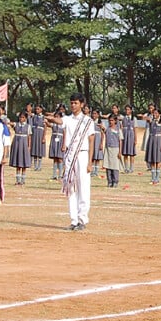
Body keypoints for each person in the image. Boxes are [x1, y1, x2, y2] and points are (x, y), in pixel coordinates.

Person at [50, 93, 95, 231]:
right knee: (71, 187)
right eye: (71, 103)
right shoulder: (68, 119)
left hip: (82, 155)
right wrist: (50, 118)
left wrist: (90, 162)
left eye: (76, 103)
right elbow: (59, 121)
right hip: (70, 156)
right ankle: (74, 220)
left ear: (82, 104)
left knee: (83, 187)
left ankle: (82, 219)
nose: (73, 105)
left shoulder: (88, 121)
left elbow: (91, 140)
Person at [9, 112, 32, 185]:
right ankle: (18, 180)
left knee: (24, 162)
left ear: (25, 118)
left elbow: (29, 137)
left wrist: (29, 146)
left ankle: (23, 180)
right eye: (20, 117)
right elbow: (10, 123)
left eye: (23, 117)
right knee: (18, 162)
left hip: (24, 144)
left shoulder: (28, 126)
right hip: (17, 144)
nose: (21, 119)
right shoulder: (16, 124)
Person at [102, 114, 123, 188]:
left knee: (115, 166)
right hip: (108, 148)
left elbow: (120, 141)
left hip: (115, 149)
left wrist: (120, 152)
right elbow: (105, 132)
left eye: (112, 120)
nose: (110, 122)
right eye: (109, 120)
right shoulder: (107, 129)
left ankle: (115, 181)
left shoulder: (118, 130)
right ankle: (109, 181)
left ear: (115, 121)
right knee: (108, 166)